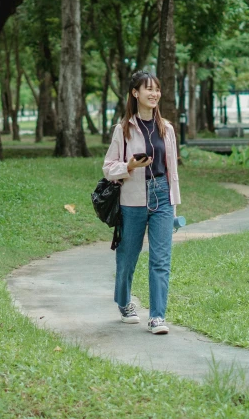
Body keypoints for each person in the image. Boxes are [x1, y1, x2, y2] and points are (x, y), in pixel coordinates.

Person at [102, 71, 181, 334]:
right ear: (135, 93)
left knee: (161, 259)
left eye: (157, 89)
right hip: (132, 198)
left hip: (161, 196)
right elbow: (108, 168)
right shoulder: (122, 129)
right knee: (127, 257)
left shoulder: (166, 129)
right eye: (148, 89)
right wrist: (130, 166)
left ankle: (157, 317)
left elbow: (172, 171)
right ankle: (124, 303)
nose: (154, 94)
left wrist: (174, 205)